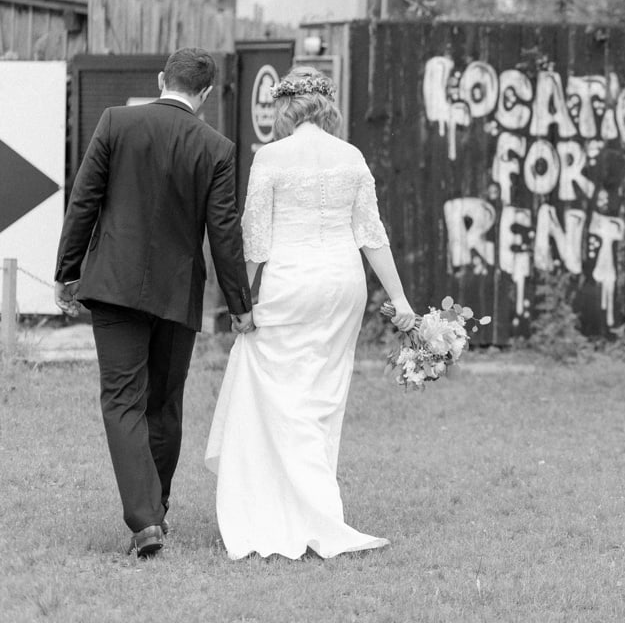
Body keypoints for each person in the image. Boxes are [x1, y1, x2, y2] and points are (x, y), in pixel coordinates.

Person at [205, 66, 417, 560]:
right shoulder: (352, 156)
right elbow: (372, 235)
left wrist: (240, 301)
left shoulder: (270, 158)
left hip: (290, 283)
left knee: (280, 390)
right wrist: (401, 300)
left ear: (284, 109)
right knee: (322, 394)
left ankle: (298, 509)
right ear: (328, 107)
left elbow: (254, 240)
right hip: (343, 286)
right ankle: (311, 502)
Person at [54, 47, 254, 559]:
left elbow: (84, 200)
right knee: (163, 404)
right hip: (175, 292)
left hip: (114, 287)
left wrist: (67, 271)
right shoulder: (216, 147)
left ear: (161, 78)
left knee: (122, 400)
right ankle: (155, 512)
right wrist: (240, 304)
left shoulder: (115, 122)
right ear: (205, 95)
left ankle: (145, 521)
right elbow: (223, 231)